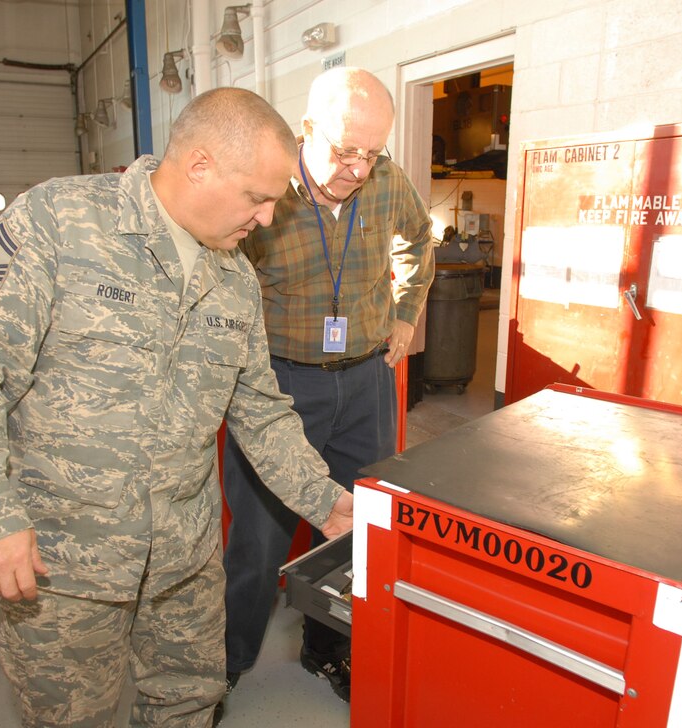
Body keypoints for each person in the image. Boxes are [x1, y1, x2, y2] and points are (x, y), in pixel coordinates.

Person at [0, 87, 354, 728]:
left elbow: (259, 408)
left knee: (189, 702)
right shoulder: (57, 223)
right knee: (69, 717)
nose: (270, 217)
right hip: (63, 567)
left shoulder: (235, 279)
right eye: (259, 196)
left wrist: (322, 497)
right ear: (200, 165)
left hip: (184, 563)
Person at [221, 67, 434, 703]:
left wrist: (404, 313)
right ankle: (225, 666)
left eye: (372, 152)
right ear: (306, 130)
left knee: (354, 529)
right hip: (280, 389)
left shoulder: (387, 181)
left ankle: (328, 649)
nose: (359, 169)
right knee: (257, 541)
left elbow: (420, 240)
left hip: (366, 382)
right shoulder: (268, 195)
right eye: (345, 151)